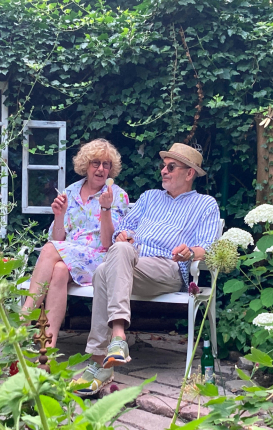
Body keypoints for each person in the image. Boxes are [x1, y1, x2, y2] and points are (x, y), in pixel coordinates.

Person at [72, 143, 220, 395]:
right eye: (163, 166)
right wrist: (124, 235)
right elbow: (124, 229)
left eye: (171, 167)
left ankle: (100, 359)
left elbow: (208, 246)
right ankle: (114, 343)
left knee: (103, 272)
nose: (163, 171)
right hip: (132, 262)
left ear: (189, 173)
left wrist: (190, 251)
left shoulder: (205, 204)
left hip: (167, 268)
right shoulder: (150, 197)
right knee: (107, 265)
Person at [21, 139, 129, 347]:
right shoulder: (70, 191)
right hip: (69, 257)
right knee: (59, 270)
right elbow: (58, 239)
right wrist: (59, 216)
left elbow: (108, 243)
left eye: (106, 164)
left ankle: (25, 316)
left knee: (49, 249)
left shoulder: (116, 195)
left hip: (99, 261)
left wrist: (105, 209)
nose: (101, 169)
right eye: (95, 163)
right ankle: (48, 345)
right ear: (86, 165)